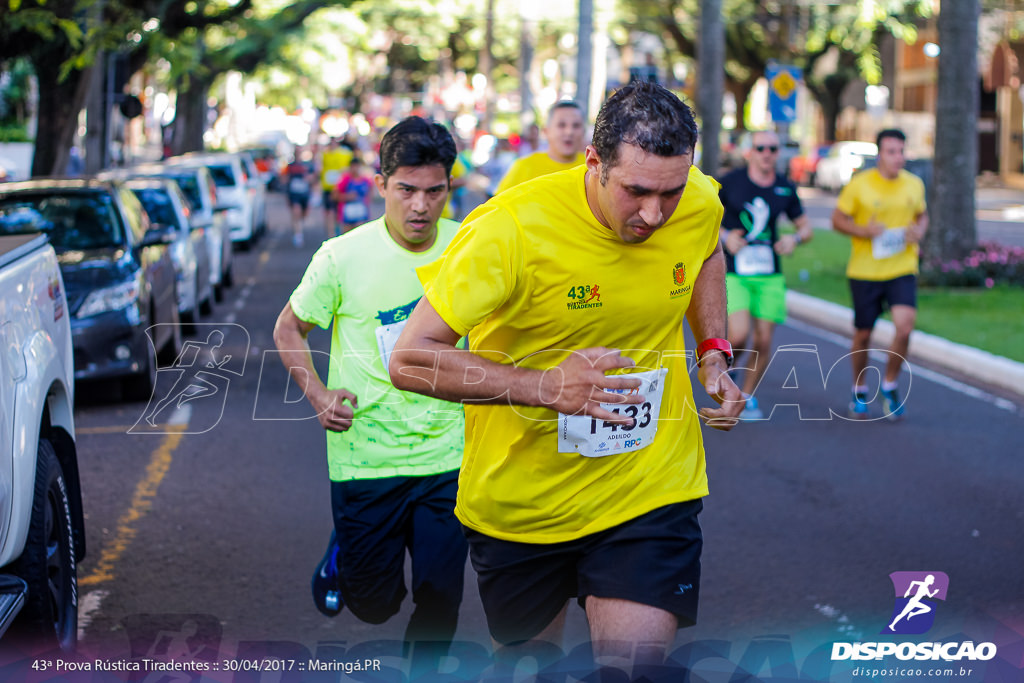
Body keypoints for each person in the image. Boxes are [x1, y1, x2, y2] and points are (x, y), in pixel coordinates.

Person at [389, 81, 744, 677]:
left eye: (670, 193)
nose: (655, 214)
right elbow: (410, 358)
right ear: (594, 162)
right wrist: (545, 387)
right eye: (636, 192)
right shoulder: (511, 229)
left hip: (649, 486)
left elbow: (706, 251)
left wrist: (712, 349)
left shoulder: (697, 200)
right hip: (522, 504)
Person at [272, 116, 467, 650]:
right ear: (381, 185)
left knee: (440, 593)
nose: (421, 206)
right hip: (365, 457)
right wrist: (318, 394)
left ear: (450, 186)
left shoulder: (468, 249)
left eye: (434, 191)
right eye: (406, 190)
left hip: (449, 454)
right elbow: (288, 328)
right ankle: (343, 553)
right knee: (375, 605)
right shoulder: (341, 256)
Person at [831, 128, 927, 421]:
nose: (898, 158)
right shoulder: (860, 185)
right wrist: (863, 231)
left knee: (905, 326)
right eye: (891, 152)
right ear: (879, 154)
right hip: (865, 271)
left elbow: (922, 215)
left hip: (901, 268)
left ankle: (890, 385)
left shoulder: (914, 184)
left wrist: (918, 232)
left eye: (901, 151)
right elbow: (837, 220)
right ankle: (859, 388)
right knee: (863, 334)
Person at [718, 130, 813, 419]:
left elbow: (805, 228)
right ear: (750, 151)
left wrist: (793, 240)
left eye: (773, 148)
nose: (767, 153)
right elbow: (704, 217)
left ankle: (746, 397)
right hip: (736, 271)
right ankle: (727, 371)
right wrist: (724, 237)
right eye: (761, 148)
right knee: (739, 334)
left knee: (762, 340)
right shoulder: (730, 182)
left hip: (770, 274)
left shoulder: (784, 188)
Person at [493, 100, 586, 194]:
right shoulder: (524, 167)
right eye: (561, 125)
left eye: (576, 126)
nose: (569, 132)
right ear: (546, 131)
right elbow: (497, 206)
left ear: (584, 132)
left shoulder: (592, 168)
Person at [318, 137, 354, 239]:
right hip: (328, 187)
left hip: (341, 188)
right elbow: (321, 168)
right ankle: (332, 235)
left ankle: (339, 233)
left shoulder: (345, 154)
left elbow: (350, 167)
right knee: (330, 212)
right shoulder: (324, 154)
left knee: (339, 213)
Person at [283, 152, 315, 247]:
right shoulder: (289, 166)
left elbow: (313, 178)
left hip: (304, 193)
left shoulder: (308, 165)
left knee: (303, 214)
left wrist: (308, 178)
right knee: (296, 211)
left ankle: (298, 226)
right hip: (294, 193)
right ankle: (298, 235)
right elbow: (284, 179)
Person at [334, 157, 373, 234]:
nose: (356, 169)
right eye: (353, 166)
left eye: (357, 166)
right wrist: (347, 197)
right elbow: (334, 195)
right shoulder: (345, 179)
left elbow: (369, 193)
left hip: (361, 214)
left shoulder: (366, 180)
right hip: (347, 216)